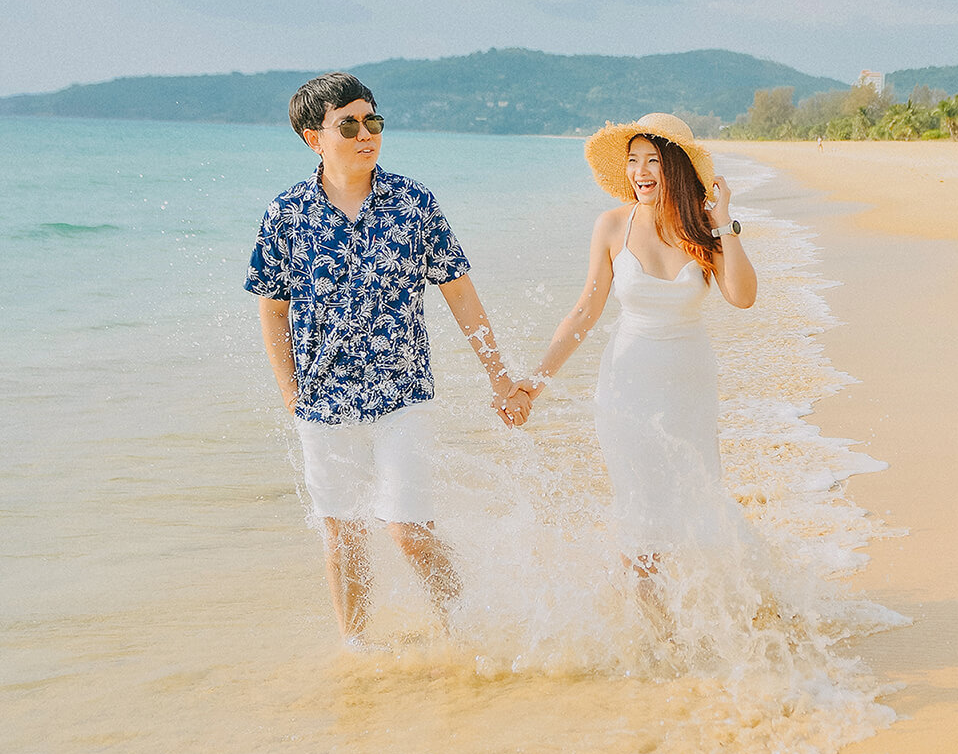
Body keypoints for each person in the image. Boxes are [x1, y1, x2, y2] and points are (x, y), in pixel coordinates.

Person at [245, 71, 529, 645]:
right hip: (322, 402)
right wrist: (289, 391)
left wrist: (501, 379)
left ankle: (468, 633)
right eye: (346, 124)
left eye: (372, 120)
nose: (364, 133)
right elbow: (272, 308)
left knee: (408, 530)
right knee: (342, 534)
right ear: (312, 137)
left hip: (403, 395)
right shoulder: (286, 213)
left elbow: (461, 294)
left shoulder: (413, 201)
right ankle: (357, 650)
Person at [511, 113, 756, 576]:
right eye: (633, 161)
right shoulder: (611, 226)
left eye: (652, 160)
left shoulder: (704, 229)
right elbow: (585, 311)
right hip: (628, 385)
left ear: (676, 167)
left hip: (690, 387)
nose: (639, 172)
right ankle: (648, 633)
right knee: (639, 507)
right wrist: (535, 382)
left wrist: (724, 223)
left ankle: (691, 613)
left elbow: (743, 297)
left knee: (692, 500)